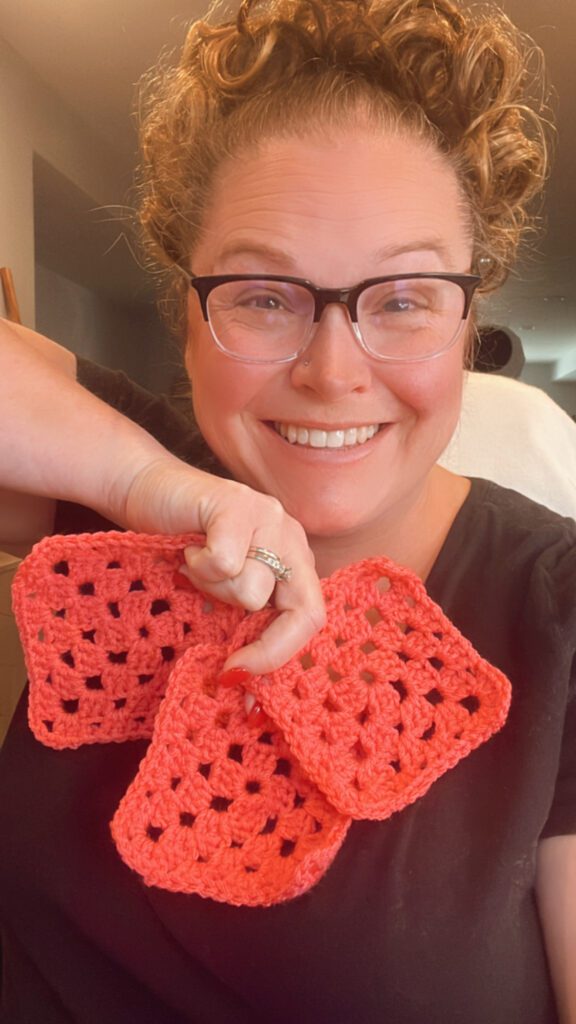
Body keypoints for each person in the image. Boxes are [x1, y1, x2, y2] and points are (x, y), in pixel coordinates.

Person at [0, 1, 574, 1021]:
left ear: (467, 320)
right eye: (265, 295)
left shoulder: (559, 610)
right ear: (189, 314)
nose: (330, 371)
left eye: (402, 298)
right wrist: (149, 488)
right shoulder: (113, 481)